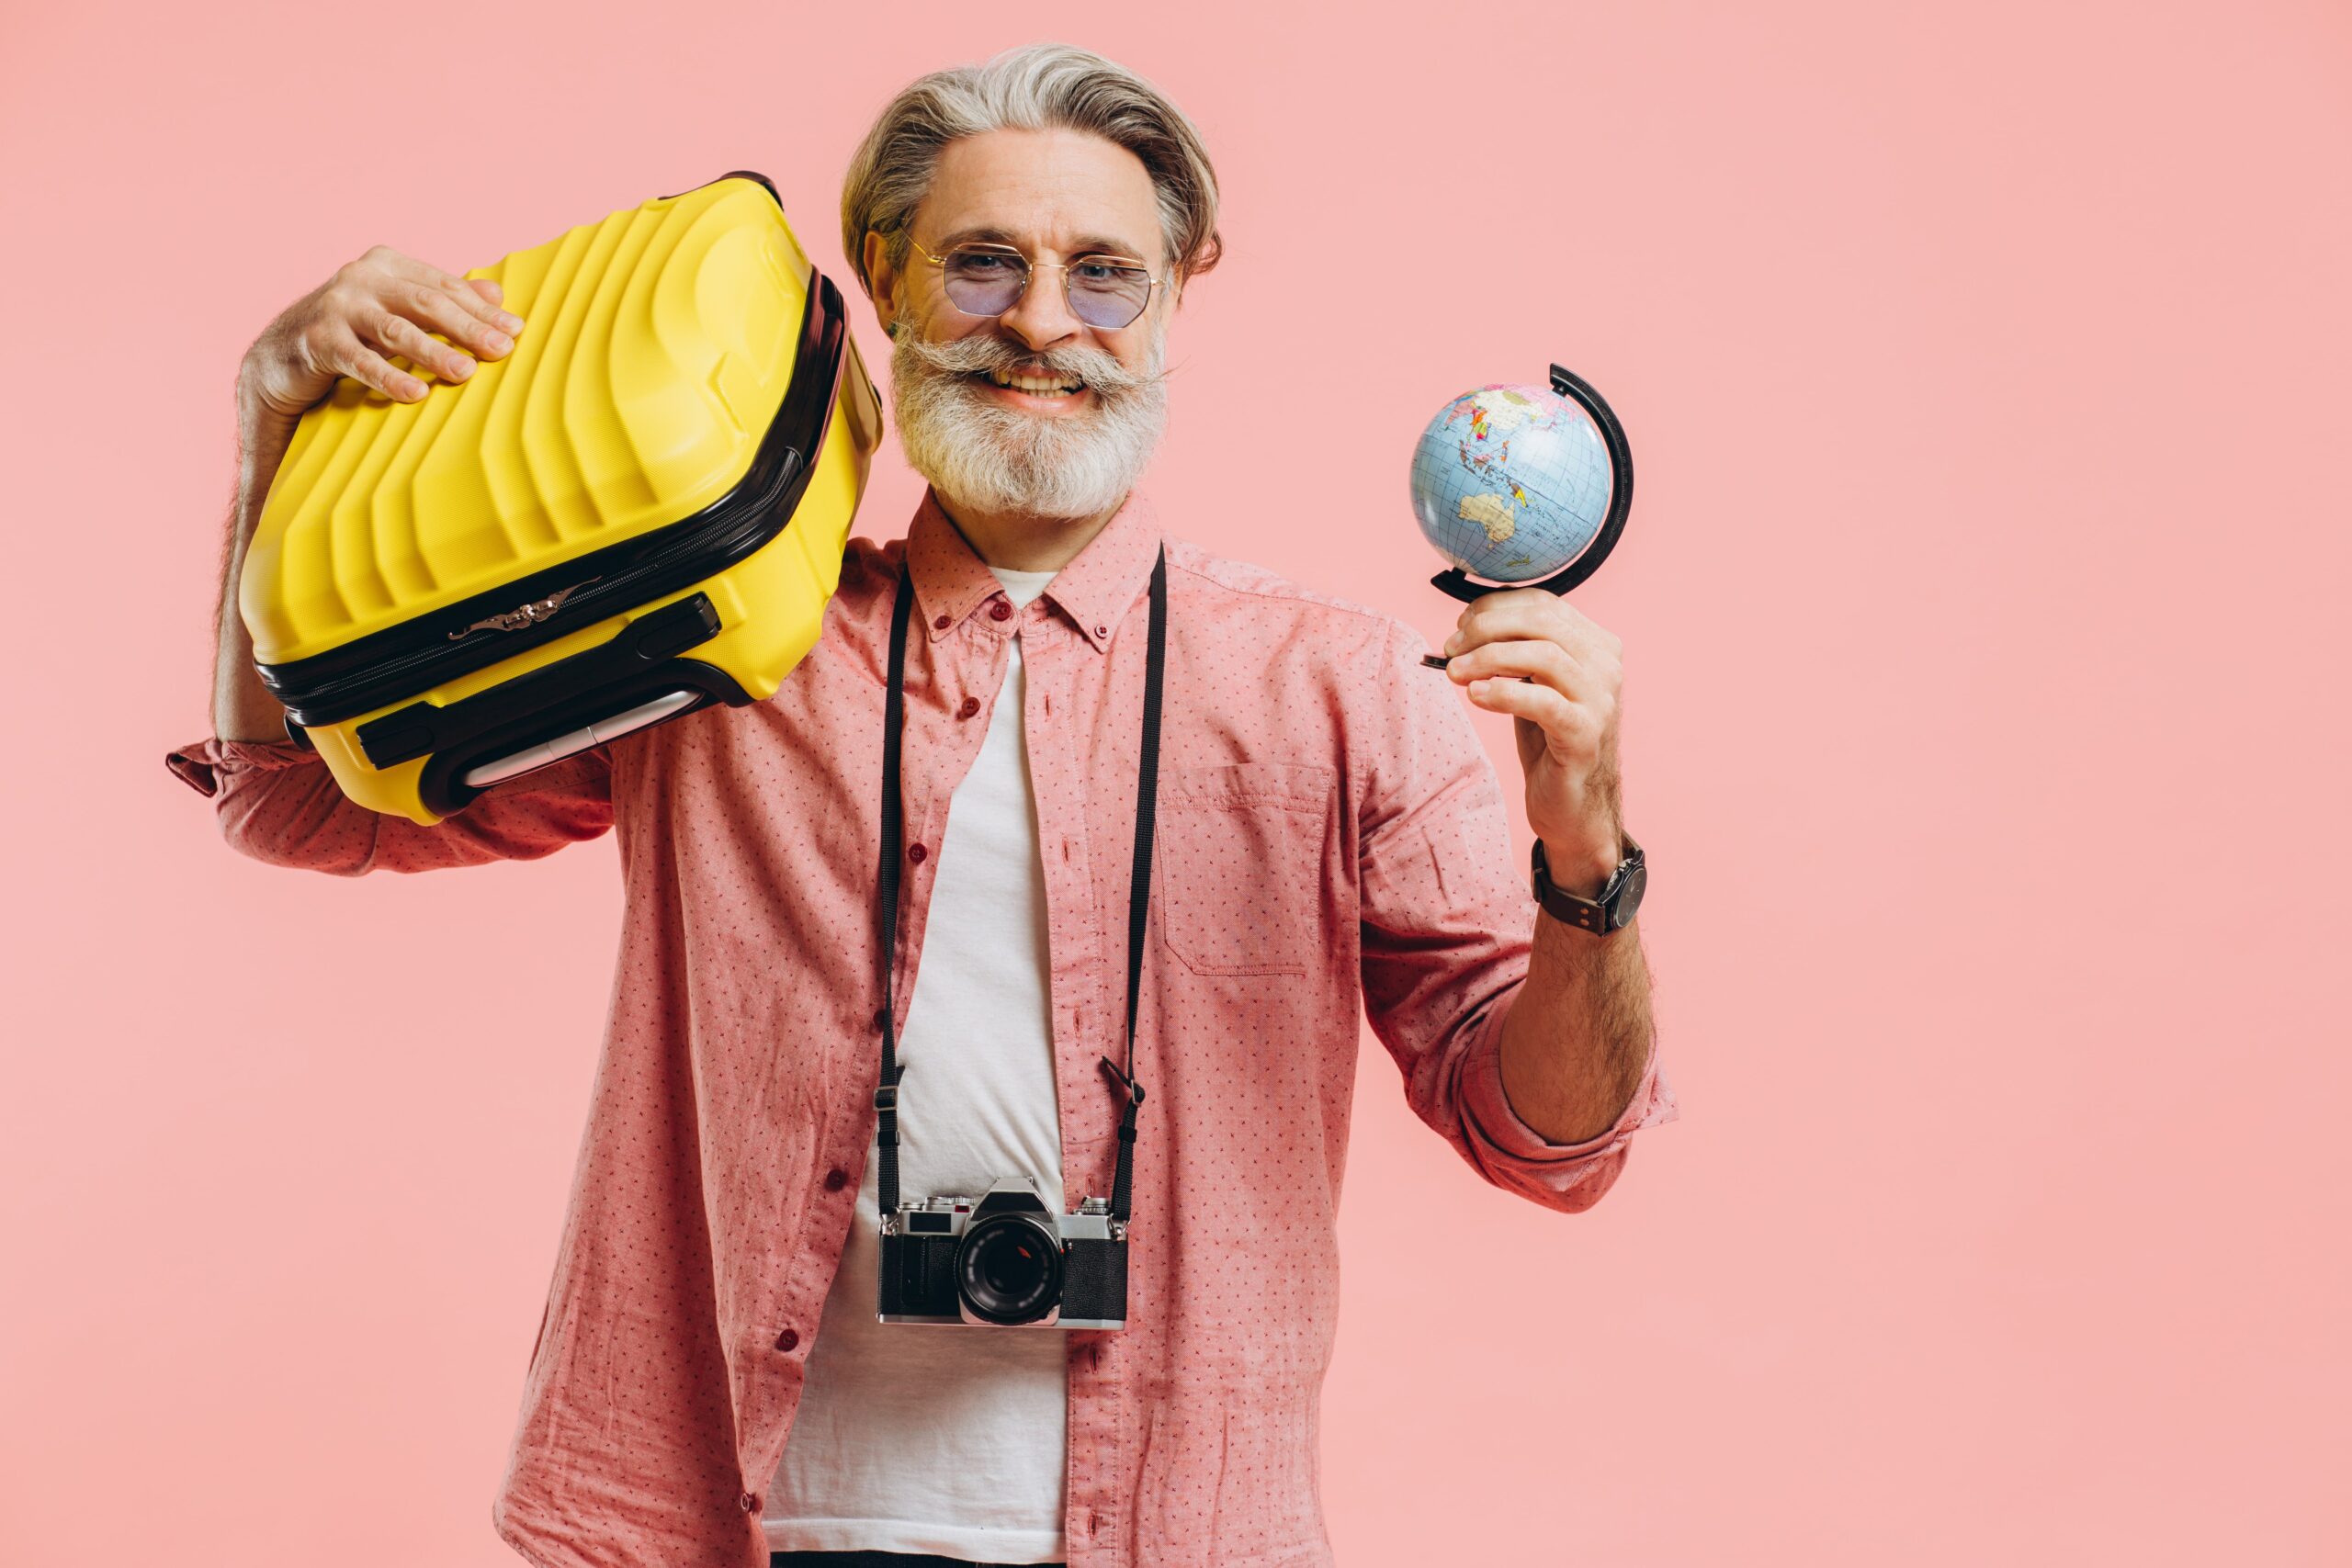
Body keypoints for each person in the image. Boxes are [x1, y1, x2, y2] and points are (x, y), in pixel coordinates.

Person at [165, 41, 1677, 1568]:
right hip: (735, 1526)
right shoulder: (714, 638)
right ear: (884, 282)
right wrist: (270, 438)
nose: (1040, 322)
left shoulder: (1340, 686)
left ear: (1172, 302)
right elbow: (294, 804)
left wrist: (1584, 853)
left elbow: (1548, 1141)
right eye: (980, 264)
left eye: (1104, 274)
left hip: (1172, 1529)